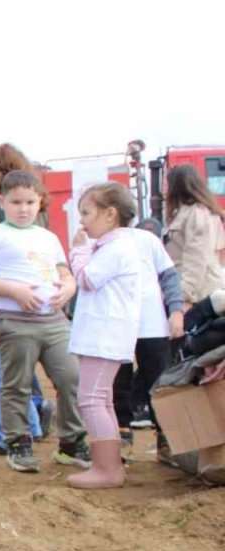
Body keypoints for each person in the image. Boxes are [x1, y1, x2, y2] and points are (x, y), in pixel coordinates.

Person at [0, 170, 91, 474]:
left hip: (54, 320)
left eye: (29, 201)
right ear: (2, 201)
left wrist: (68, 288)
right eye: (16, 202)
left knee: (71, 378)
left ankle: (71, 443)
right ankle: (17, 443)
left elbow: (64, 273)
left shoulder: (48, 237)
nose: (23, 208)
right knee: (17, 385)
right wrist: (14, 290)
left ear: (40, 201)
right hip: (12, 321)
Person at [65, 182, 147, 489]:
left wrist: (78, 250)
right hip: (103, 334)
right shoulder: (115, 247)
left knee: (91, 400)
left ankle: (107, 468)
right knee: (101, 399)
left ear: (110, 214)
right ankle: (107, 465)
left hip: (105, 335)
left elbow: (87, 278)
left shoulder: (116, 248)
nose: (82, 221)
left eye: (86, 213)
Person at [112, 217, 183, 463]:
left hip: (152, 323)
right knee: (118, 381)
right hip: (116, 322)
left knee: (160, 382)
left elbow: (169, 276)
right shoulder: (100, 242)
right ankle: (122, 438)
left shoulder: (148, 241)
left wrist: (175, 310)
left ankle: (167, 441)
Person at [165, 164, 225, 311]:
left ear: (177, 185)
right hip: (197, 288)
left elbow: (196, 259)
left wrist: (183, 296)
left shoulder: (197, 214)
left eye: (167, 183)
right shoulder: (188, 213)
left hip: (199, 293)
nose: (164, 188)